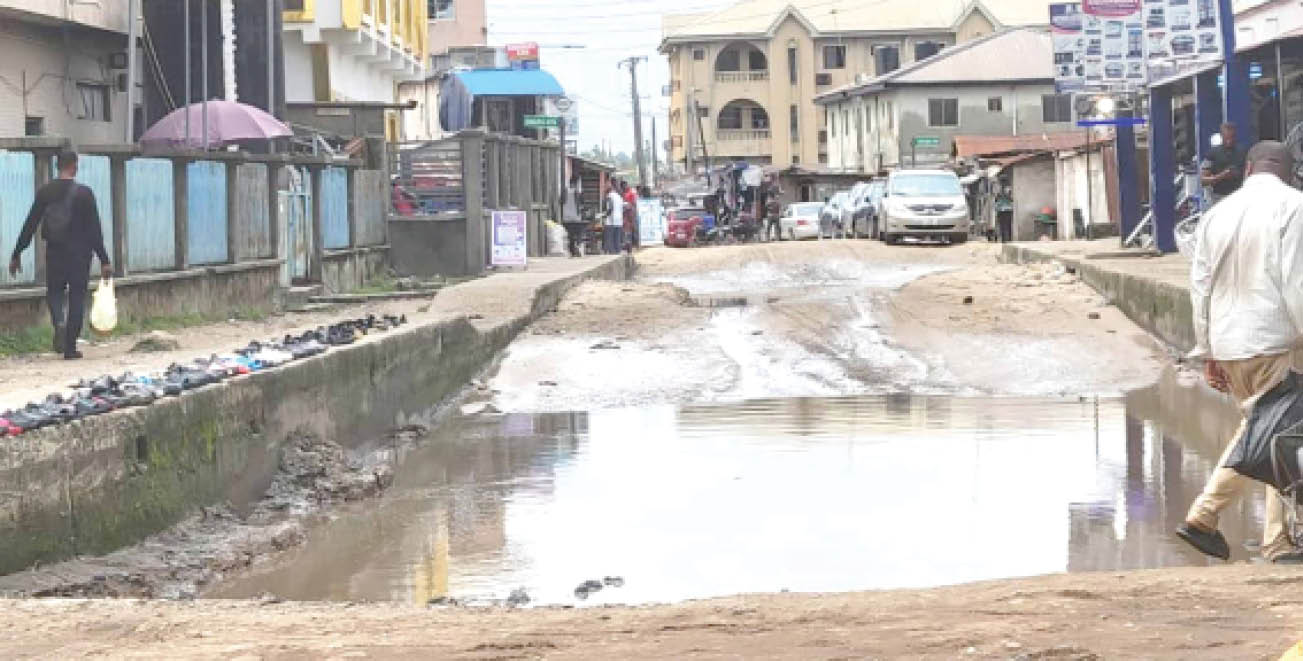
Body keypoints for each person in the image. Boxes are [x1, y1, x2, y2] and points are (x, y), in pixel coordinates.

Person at [1179, 141, 1303, 564]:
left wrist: (1207, 348)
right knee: (1271, 437)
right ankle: (1208, 516)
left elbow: (1201, 288)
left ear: (1248, 168)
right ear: (1288, 171)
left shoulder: (1215, 215)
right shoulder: (1294, 206)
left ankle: (1273, 539)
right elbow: (1296, 283)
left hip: (1231, 341)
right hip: (1274, 340)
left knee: (1267, 434)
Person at [8, 151, 112, 360]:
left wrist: (17, 252)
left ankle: (59, 322)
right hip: (80, 255)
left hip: (55, 251)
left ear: (58, 165)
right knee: (76, 296)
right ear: (74, 165)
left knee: (54, 292)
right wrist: (104, 260)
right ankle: (70, 348)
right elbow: (95, 229)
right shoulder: (85, 193)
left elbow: (31, 223)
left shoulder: (45, 192)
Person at [1201, 122, 1247, 206]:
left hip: (1238, 196)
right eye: (1226, 138)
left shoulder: (1243, 152)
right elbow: (1203, 180)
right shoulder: (1212, 154)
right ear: (1221, 136)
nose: (1229, 141)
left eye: (1232, 137)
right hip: (1219, 197)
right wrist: (1222, 176)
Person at [561, 171, 586, 258]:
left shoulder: (565, 191)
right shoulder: (578, 192)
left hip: (566, 217)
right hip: (576, 218)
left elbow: (561, 201)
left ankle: (572, 252)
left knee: (570, 236)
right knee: (579, 234)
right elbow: (582, 204)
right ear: (577, 182)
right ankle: (578, 246)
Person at [604, 180, 624, 255]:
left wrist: (605, 215)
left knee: (610, 239)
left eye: (606, 185)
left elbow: (610, 208)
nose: (605, 187)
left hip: (611, 221)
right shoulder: (618, 196)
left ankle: (611, 253)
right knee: (617, 240)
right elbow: (623, 208)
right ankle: (617, 253)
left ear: (611, 186)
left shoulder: (610, 196)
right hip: (619, 221)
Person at [622, 180, 639, 251]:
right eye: (623, 187)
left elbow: (634, 203)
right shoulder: (624, 193)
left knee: (633, 229)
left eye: (624, 186)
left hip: (631, 213)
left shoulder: (631, 193)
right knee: (627, 229)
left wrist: (629, 206)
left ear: (626, 185)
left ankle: (635, 244)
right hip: (626, 213)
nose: (624, 188)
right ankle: (629, 244)